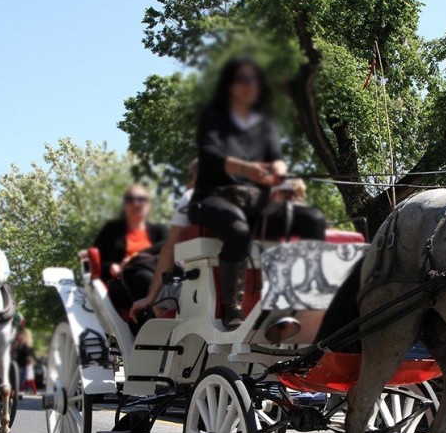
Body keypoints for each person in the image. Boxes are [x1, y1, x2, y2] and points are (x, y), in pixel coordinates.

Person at [190, 56, 325, 329]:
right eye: (243, 79)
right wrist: (248, 169)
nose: (250, 85)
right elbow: (210, 155)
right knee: (237, 232)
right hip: (216, 196)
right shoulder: (213, 116)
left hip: (256, 201)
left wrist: (277, 171)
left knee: (313, 219)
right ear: (229, 84)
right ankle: (233, 307)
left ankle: (302, 295)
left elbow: (276, 157)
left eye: (255, 80)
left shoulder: (263, 124)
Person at [129, 159, 197, 321]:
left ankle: (155, 309)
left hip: (197, 290)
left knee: (156, 287)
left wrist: (150, 298)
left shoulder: (190, 199)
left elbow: (169, 248)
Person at [92, 184, 169, 304]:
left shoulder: (159, 230)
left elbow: (170, 248)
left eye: (141, 199)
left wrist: (134, 257)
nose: (136, 203)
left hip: (158, 273)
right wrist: (110, 267)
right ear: (124, 205)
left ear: (148, 205)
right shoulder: (111, 230)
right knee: (143, 277)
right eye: (130, 199)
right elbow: (92, 264)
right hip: (123, 280)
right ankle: (158, 318)